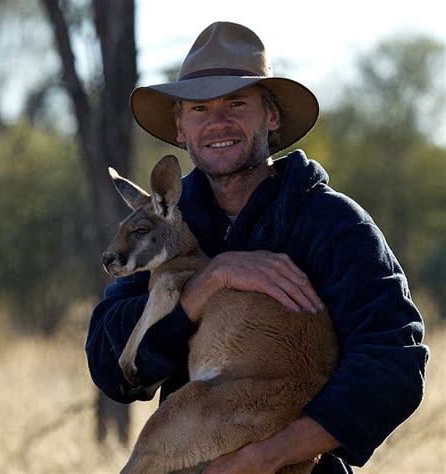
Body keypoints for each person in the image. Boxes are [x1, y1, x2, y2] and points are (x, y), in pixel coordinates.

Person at [86, 22, 428, 473]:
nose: (218, 122)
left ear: (271, 117)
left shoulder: (330, 222)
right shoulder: (165, 225)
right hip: (186, 450)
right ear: (180, 128)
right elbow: (110, 363)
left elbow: (395, 359)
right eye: (200, 108)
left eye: (236, 103)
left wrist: (266, 456)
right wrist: (207, 284)